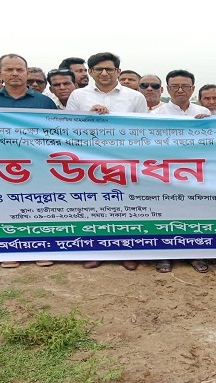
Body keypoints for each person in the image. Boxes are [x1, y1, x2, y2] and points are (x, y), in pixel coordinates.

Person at [64, 52, 146, 270]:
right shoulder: (78, 96)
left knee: (127, 208)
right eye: (98, 69)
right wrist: (88, 118)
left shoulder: (135, 97)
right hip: (89, 162)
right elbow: (68, 129)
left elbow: (144, 130)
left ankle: (127, 251)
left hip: (124, 161)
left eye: (109, 69)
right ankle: (95, 250)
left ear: (118, 71)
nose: (104, 73)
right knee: (94, 207)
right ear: (90, 72)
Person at [0, 54, 56, 268]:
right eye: (9, 70)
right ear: (0, 73)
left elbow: (57, 133)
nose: (14, 74)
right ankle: (10, 250)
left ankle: (41, 249)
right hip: (1, 166)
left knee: (38, 208)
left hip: (37, 165)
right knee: (5, 208)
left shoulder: (44, 101)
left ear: (27, 72)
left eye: (19, 69)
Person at [151, 70, 211, 273]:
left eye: (185, 86)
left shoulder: (204, 112)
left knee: (195, 214)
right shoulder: (155, 115)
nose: (180, 90)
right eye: (174, 86)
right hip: (166, 172)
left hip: (197, 173)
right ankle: (165, 255)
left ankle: (194, 254)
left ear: (193, 89)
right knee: (166, 214)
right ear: (167, 89)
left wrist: (206, 125)